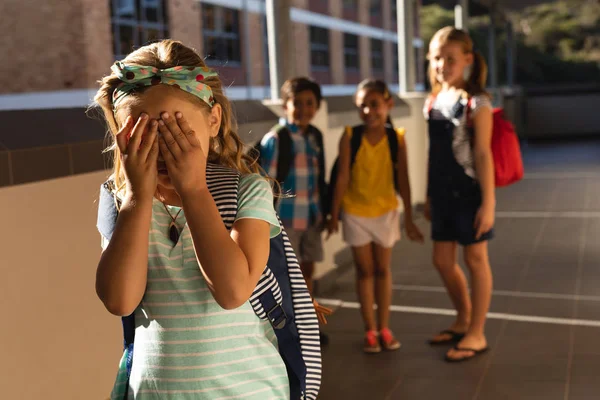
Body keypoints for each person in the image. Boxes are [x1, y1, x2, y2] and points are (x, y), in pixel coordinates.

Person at [94, 39, 292, 399]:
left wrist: (195, 192)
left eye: (175, 132)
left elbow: (232, 291)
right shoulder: (120, 202)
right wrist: (137, 198)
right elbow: (120, 300)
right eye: (145, 136)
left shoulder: (246, 191)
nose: (164, 150)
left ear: (213, 120)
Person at [328, 79, 424, 353]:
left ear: (388, 105)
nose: (369, 111)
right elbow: (343, 177)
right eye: (363, 106)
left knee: (383, 270)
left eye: (375, 105)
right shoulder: (350, 136)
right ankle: (369, 329)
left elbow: (403, 179)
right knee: (364, 270)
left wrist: (408, 218)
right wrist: (334, 213)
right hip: (356, 212)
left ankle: (384, 327)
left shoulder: (397, 138)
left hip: (385, 212)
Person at [424, 26, 495, 362]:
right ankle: (463, 319)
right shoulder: (434, 100)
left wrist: (489, 204)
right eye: (437, 57)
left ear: (467, 59)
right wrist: (428, 194)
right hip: (441, 194)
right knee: (441, 260)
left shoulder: (477, 102)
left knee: (475, 259)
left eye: (450, 58)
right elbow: (433, 153)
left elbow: (483, 155)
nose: (442, 64)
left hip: (469, 192)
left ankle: (477, 332)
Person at [256, 77, 331, 345]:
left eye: (309, 103)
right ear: (285, 105)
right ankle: (291, 330)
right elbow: (267, 182)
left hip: (311, 217)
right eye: (296, 103)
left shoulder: (315, 136)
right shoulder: (277, 138)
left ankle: (308, 323)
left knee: (308, 271)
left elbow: (319, 177)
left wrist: (327, 212)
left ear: (318, 106)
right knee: (287, 276)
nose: (303, 108)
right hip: (285, 220)